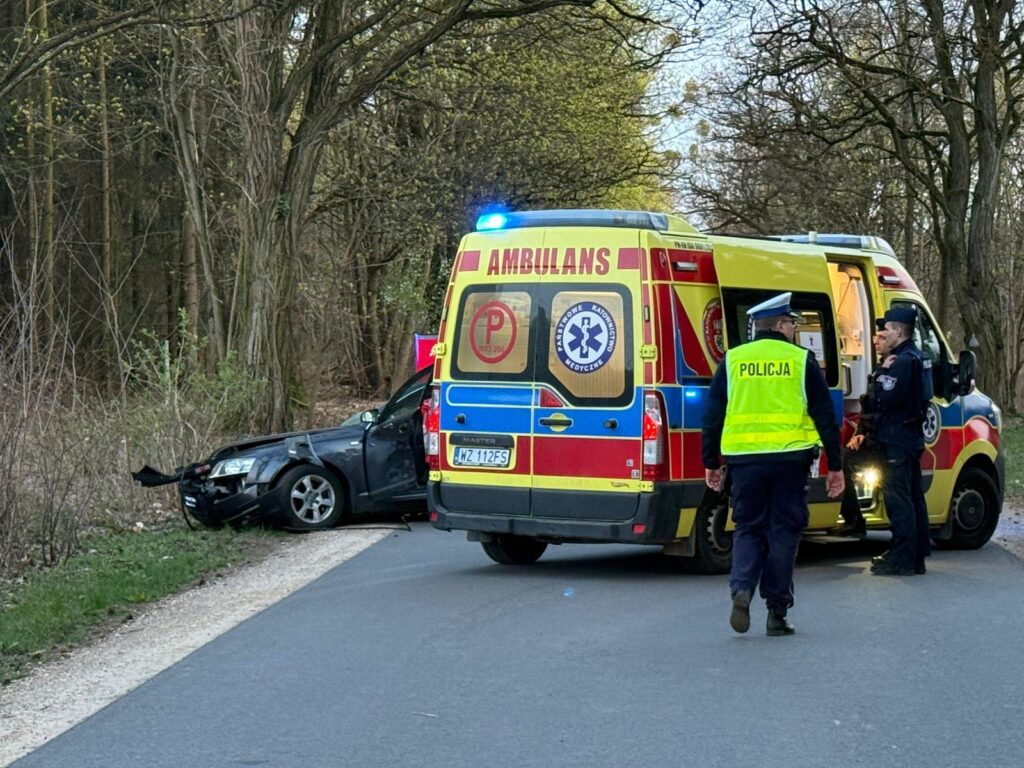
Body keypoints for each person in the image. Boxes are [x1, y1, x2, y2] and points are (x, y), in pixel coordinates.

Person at [703, 292, 845, 637]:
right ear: (781, 325)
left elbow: (713, 415)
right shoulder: (800, 360)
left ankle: (742, 588)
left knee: (748, 528)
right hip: (790, 461)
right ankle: (776, 612)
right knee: (783, 531)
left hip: (744, 462)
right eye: (792, 323)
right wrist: (836, 465)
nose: (794, 328)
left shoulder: (733, 360)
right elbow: (825, 415)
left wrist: (711, 462)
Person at [869, 307, 933, 576]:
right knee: (915, 497)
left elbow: (883, 396)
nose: (884, 334)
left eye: (887, 330)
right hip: (911, 435)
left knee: (899, 500)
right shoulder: (921, 357)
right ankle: (917, 555)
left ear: (898, 331)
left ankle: (902, 558)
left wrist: (879, 373)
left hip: (897, 436)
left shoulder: (902, 362)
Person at [832, 325, 892, 538]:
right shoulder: (881, 367)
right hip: (875, 439)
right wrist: (859, 432)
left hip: (889, 442)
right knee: (842, 458)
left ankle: (856, 521)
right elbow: (869, 406)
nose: (876, 341)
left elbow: (888, 409)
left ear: (897, 336)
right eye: (876, 337)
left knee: (899, 496)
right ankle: (854, 519)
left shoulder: (900, 366)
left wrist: (866, 433)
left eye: (882, 337)